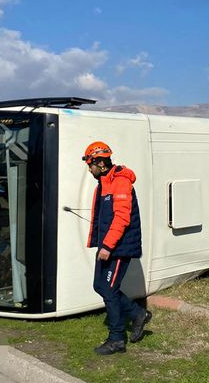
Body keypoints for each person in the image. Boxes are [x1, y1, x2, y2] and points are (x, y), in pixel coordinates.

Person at [82, 141, 151, 355]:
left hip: (119, 247)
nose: (89, 169)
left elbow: (122, 218)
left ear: (100, 162)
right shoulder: (104, 183)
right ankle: (137, 314)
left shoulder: (120, 181)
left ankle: (116, 339)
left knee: (109, 290)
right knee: (100, 286)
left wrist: (107, 246)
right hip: (108, 245)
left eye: (90, 164)